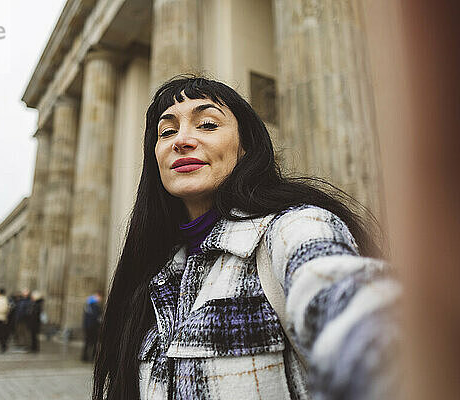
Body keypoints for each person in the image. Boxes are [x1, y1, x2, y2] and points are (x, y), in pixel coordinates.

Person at [93, 77, 399, 400]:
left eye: (207, 124)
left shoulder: (294, 229)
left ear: (246, 147)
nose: (181, 140)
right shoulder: (154, 278)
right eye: (167, 131)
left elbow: (365, 328)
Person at [82, 291, 102, 362]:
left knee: (87, 342)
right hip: (93, 328)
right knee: (94, 343)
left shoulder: (87, 306)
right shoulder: (96, 307)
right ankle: (92, 357)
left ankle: (84, 357)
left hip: (87, 327)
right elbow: (98, 318)